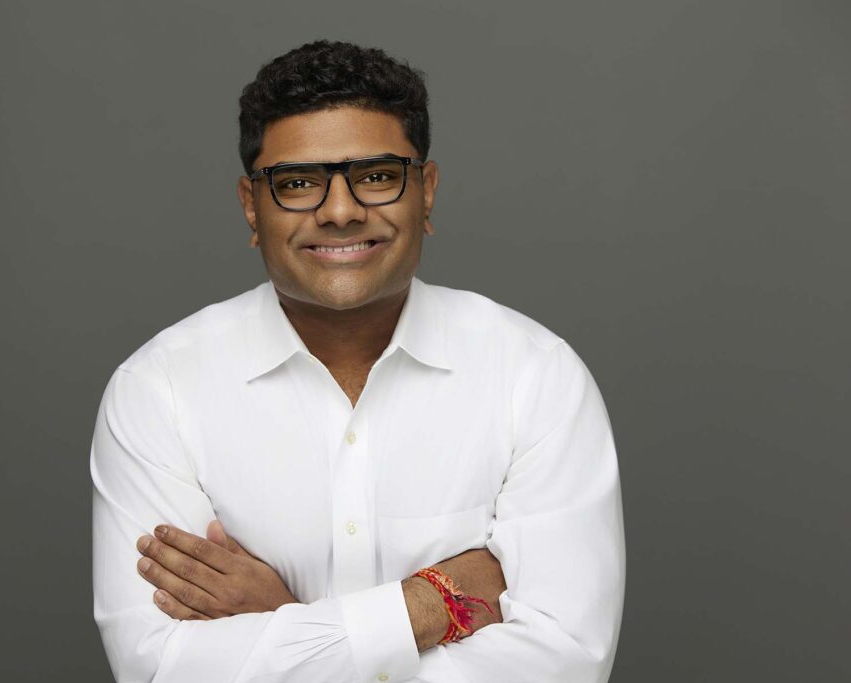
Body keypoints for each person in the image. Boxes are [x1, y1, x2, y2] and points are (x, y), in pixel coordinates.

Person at [91, 40, 625, 683]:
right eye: (297, 184)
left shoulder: (537, 378)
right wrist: (433, 602)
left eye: (375, 175)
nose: (340, 211)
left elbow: (564, 663)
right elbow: (162, 669)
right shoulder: (158, 391)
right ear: (249, 207)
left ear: (425, 192)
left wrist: (282, 622)